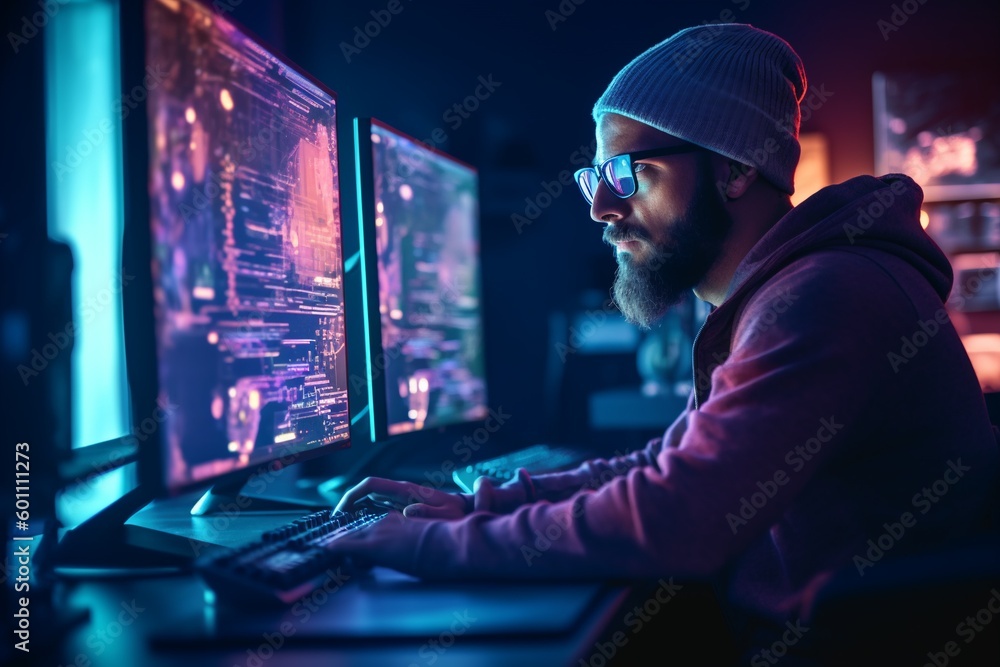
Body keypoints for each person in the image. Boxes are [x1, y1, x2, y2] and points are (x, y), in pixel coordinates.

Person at [333, 23, 1000, 662]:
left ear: (734, 168)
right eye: (595, 179)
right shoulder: (785, 293)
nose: (601, 208)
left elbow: (679, 515)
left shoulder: (821, 297)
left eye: (628, 174)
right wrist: (477, 505)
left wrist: (430, 546)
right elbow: (668, 464)